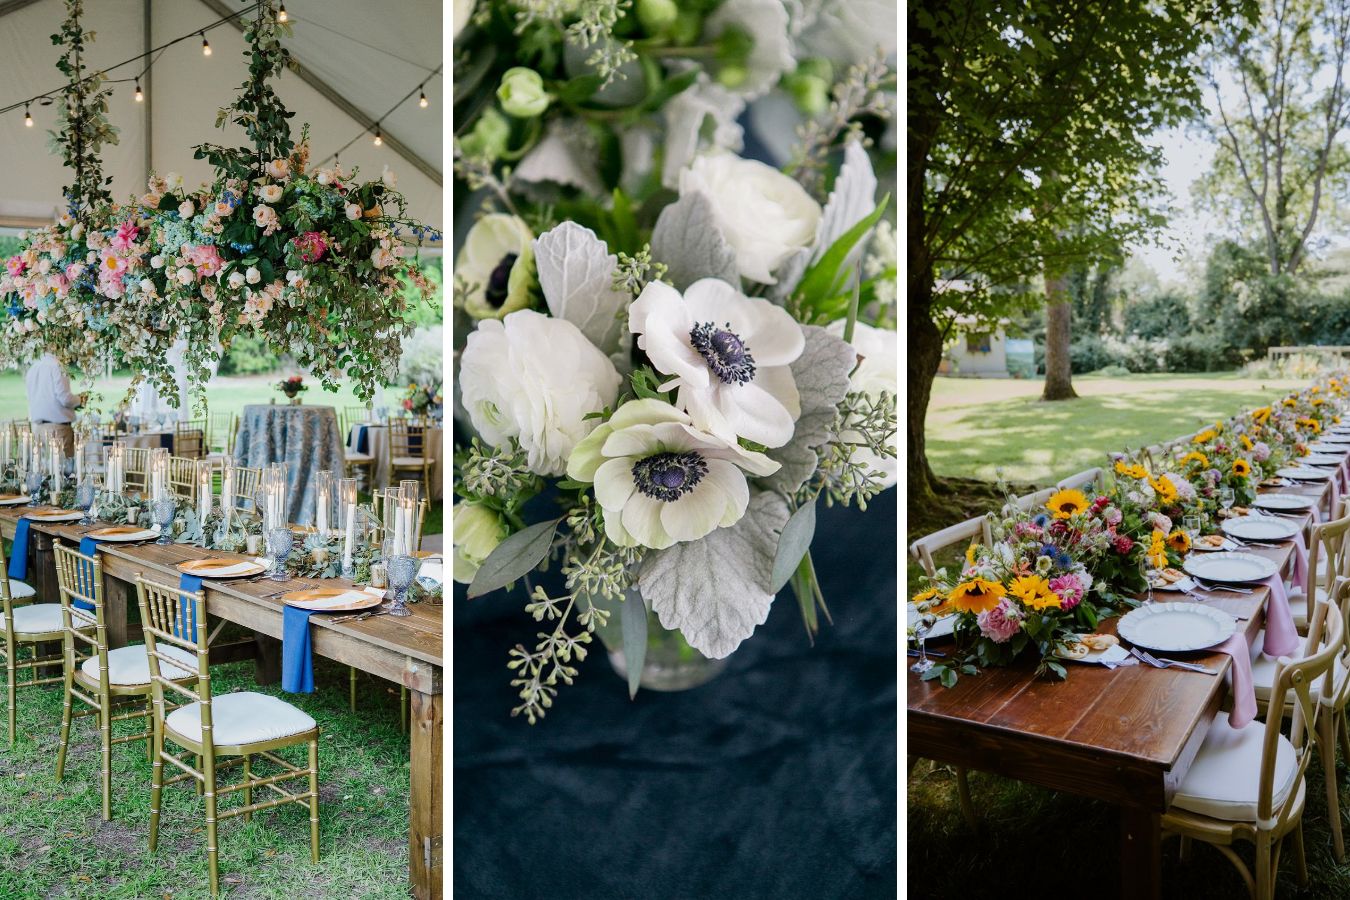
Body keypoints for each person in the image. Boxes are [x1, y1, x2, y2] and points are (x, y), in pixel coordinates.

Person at [25, 352, 82, 455]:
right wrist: (80, 400)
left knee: (42, 469)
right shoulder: (57, 366)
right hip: (58, 431)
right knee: (63, 468)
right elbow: (65, 399)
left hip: (39, 429)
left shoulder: (33, 368)